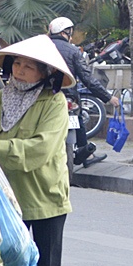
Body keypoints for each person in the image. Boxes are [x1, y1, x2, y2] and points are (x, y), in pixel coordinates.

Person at [0, 35, 73, 266]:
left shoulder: (54, 103)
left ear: (45, 73)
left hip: (47, 196)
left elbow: (42, 149)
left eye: (30, 66)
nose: (21, 70)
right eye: (17, 64)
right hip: (7, 198)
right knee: (4, 262)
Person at [47, 16, 118, 167]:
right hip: (69, 95)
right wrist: (108, 97)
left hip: (46, 96)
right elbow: (88, 79)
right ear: (64, 32)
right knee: (77, 118)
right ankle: (87, 154)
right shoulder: (73, 51)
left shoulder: (41, 47)